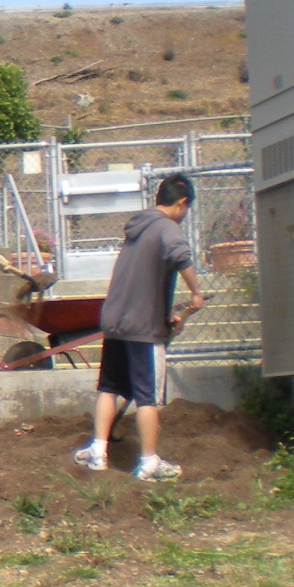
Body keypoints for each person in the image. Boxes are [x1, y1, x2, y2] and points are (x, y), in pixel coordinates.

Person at [73, 173, 206, 480]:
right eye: (187, 208)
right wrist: (196, 294)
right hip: (142, 328)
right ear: (182, 202)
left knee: (108, 388)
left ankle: (98, 451)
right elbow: (181, 257)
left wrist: (166, 313)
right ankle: (149, 462)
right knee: (147, 397)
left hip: (116, 321)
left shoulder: (137, 229)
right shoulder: (166, 228)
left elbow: (142, 280)